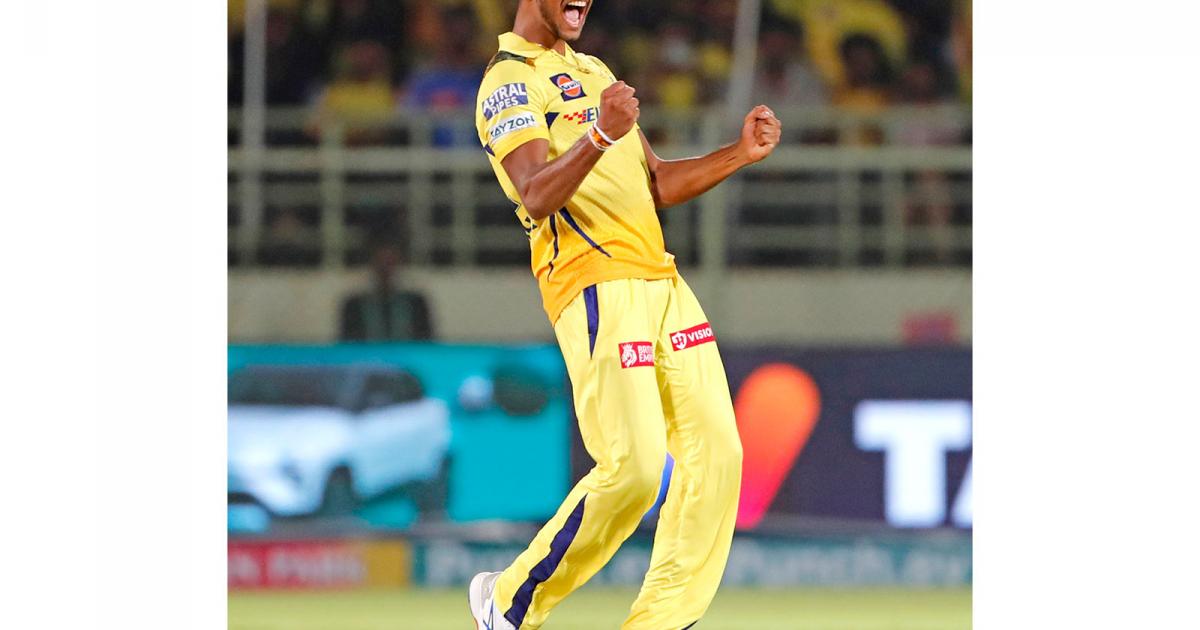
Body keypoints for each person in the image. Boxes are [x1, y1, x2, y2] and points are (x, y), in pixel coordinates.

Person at [467, 1, 781, 628]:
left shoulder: (593, 70)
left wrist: (737, 154)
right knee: (634, 470)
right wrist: (601, 134)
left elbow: (656, 183)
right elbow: (535, 193)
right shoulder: (509, 80)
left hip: (663, 282)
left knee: (719, 455)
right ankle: (507, 601)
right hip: (594, 283)